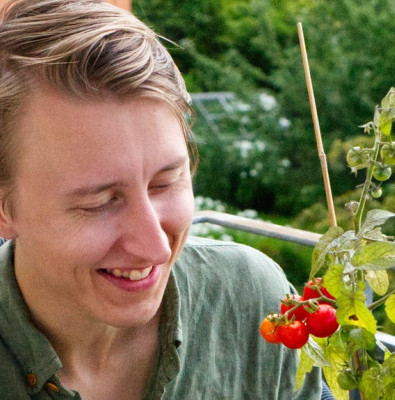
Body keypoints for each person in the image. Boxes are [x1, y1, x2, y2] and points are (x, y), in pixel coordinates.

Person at [0, 0, 326, 399]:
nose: (156, 246)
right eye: (99, 203)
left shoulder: (251, 299)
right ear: (4, 209)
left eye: (165, 183)